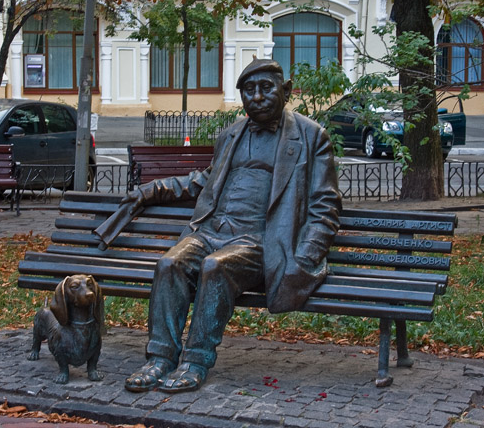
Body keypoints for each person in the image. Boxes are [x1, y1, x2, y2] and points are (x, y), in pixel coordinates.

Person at [118, 58, 342, 393]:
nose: (257, 96)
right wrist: (151, 191)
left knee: (215, 267)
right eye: (248, 90)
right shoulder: (231, 134)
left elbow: (325, 204)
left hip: (260, 241)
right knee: (169, 264)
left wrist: (306, 255)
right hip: (211, 231)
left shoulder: (312, 137)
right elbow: (203, 182)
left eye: (266, 88)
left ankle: (196, 361)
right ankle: (160, 358)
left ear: (286, 91)